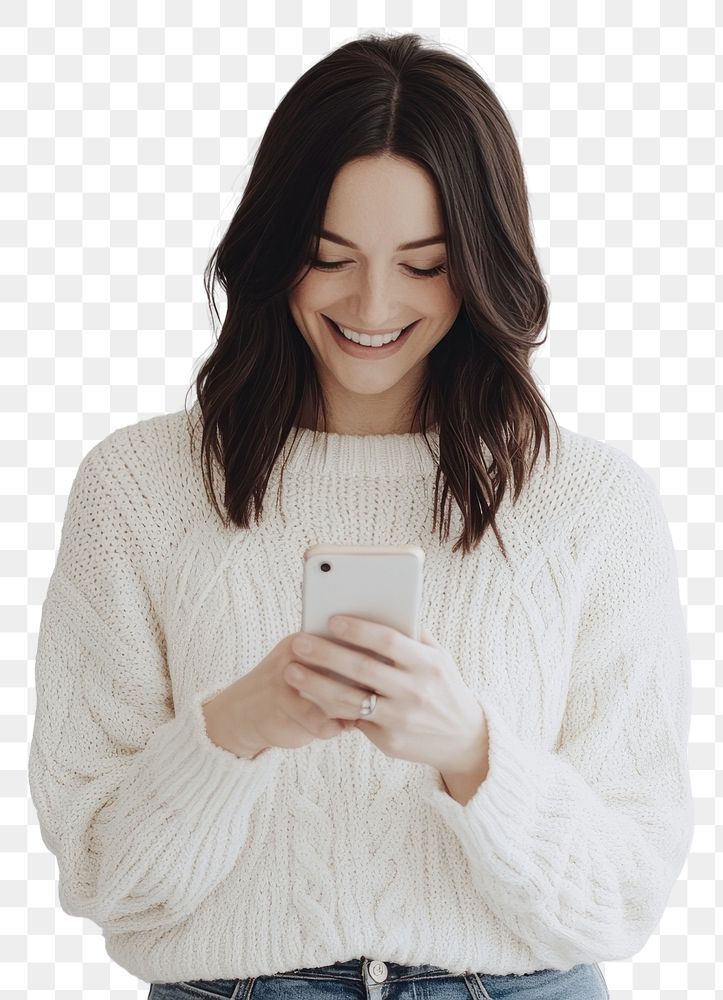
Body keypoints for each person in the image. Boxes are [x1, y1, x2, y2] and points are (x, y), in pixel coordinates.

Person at [28, 30, 693, 1000]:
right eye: (329, 256)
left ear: (481, 264)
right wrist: (237, 727)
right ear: (271, 251)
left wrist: (472, 751)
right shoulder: (138, 489)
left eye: (423, 264)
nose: (373, 302)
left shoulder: (591, 506)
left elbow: (624, 893)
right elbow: (104, 877)